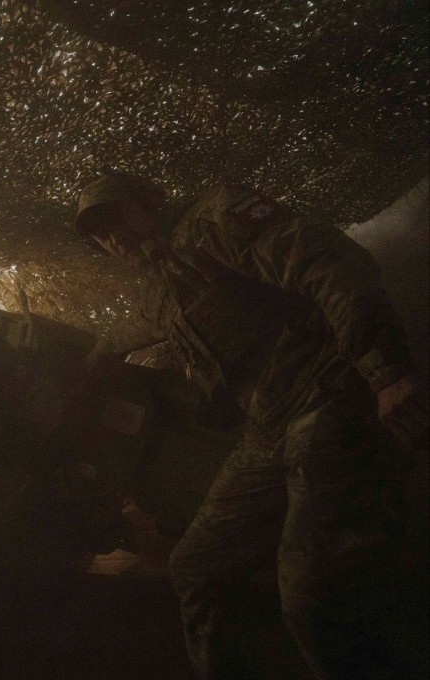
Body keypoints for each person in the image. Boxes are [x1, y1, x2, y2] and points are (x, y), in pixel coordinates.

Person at [76, 173, 427, 679]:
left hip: (325, 393)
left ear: (150, 200)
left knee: (312, 596)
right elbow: (143, 326)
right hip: (269, 429)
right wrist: (100, 352)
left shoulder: (213, 222)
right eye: (99, 234)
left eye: (116, 217)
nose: (113, 237)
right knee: (195, 568)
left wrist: (385, 369)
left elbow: (326, 260)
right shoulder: (158, 288)